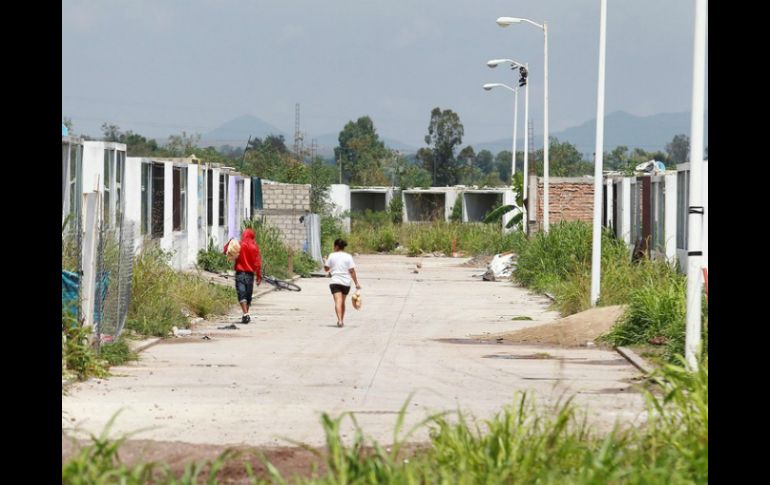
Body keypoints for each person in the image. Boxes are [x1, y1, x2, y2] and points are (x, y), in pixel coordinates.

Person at [224, 228, 262, 323]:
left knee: (242, 293)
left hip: (240, 274)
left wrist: (230, 241)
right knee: (248, 296)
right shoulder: (255, 247)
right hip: (250, 275)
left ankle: (245, 314)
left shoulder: (238, 245)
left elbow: (226, 250)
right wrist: (258, 276)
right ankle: (246, 314)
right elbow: (257, 263)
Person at [323, 238, 361, 328]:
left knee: (337, 301)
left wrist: (325, 261)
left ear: (336, 246)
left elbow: (326, 269)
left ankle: (339, 320)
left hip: (335, 282)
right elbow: (352, 271)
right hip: (346, 283)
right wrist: (356, 283)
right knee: (342, 302)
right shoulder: (348, 256)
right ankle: (341, 320)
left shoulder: (331, 255)